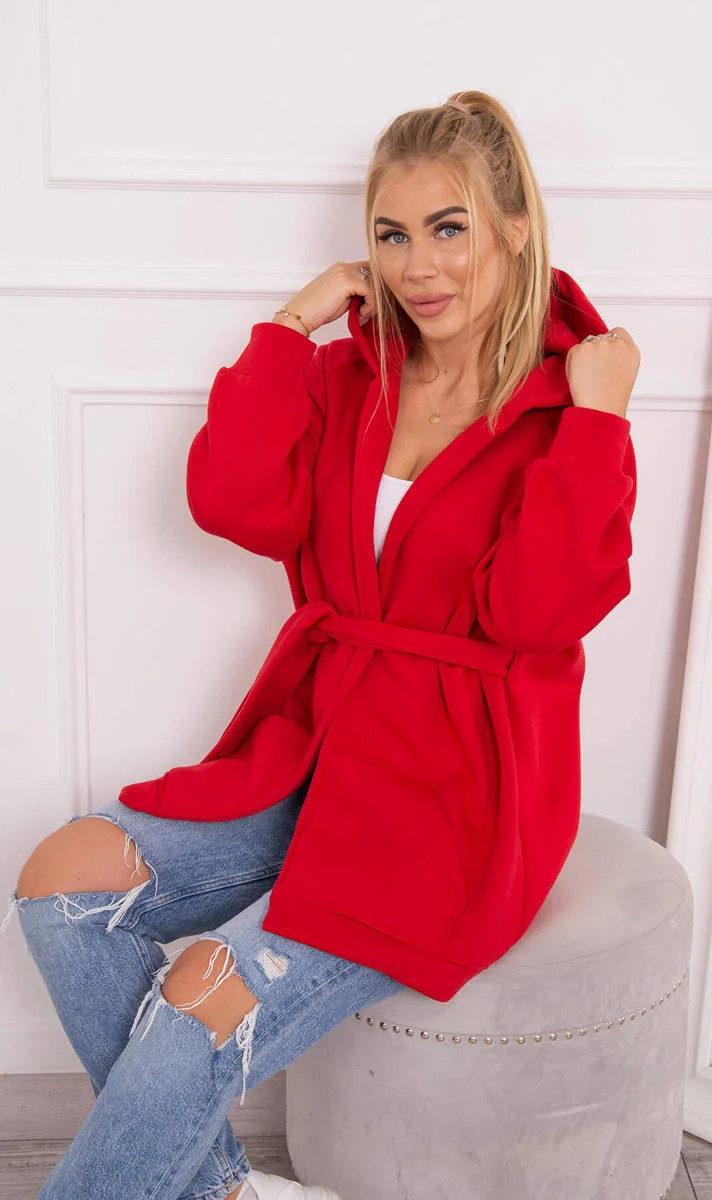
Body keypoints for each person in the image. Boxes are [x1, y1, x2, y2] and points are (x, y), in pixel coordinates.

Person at [3, 90, 640, 1200]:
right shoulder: (356, 376)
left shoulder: (568, 404)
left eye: (448, 228)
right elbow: (234, 503)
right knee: (61, 888)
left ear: (513, 228)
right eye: (390, 235)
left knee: (201, 1000)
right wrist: (288, 329)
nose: (417, 266)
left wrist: (597, 423)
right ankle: (219, 1190)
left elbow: (534, 615)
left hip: (450, 797)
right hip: (319, 743)